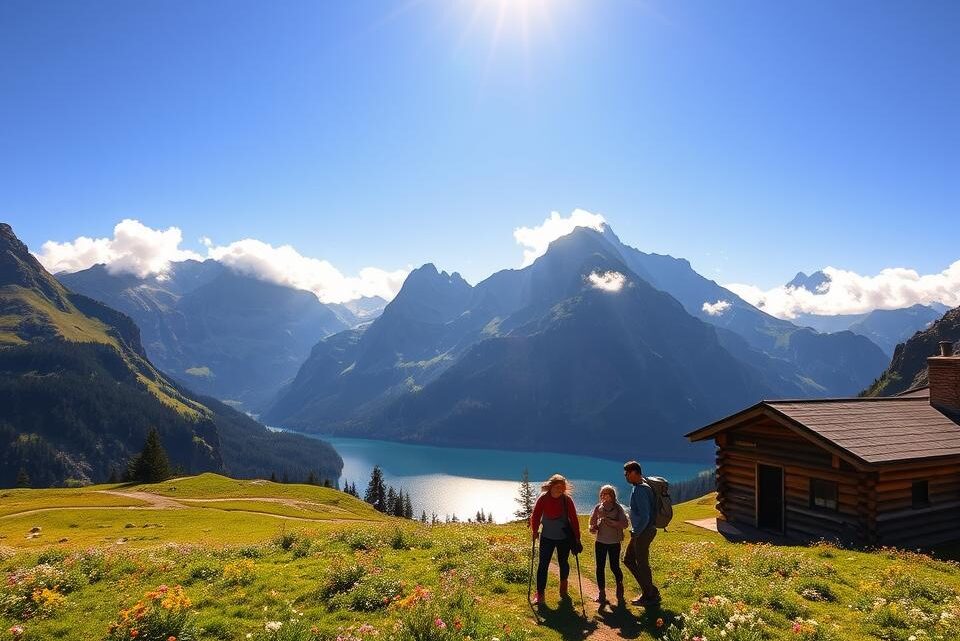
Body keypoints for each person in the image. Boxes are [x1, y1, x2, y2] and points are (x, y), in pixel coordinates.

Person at [530, 474, 581, 606]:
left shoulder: (566, 500)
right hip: (547, 537)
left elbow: (574, 519)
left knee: (563, 563)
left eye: (562, 487)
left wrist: (577, 538)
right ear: (551, 486)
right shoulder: (543, 498)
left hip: (564, 538)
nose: (560, 489)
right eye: (558, 487)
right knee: (543, 565)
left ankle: (563, 585)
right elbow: (535, 516)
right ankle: (540, 594)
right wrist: (534, 531)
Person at [622, 460, 661, 606]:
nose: (625, 476)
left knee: (641, 563)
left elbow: (645, 516)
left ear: (634, 473)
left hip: (643, 532)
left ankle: (649, 595)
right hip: (644, 531)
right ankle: (650, 590)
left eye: (627, 473)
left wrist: (636, 532)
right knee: (629, 559)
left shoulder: (640, 490)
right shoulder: (642, 486)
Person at [588, 484, 628, 605]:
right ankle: (601, 593)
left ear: (612, 495)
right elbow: (591, 524)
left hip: (614, 542)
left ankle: (619, 585)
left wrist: (610, 521)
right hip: (600, 542)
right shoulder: (598, 508)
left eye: (607, 493)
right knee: (599, 568)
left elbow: (625, 524)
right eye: (603, 494)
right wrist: (592, 528)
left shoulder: (618, 508)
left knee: (614, 567)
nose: (604, 496)